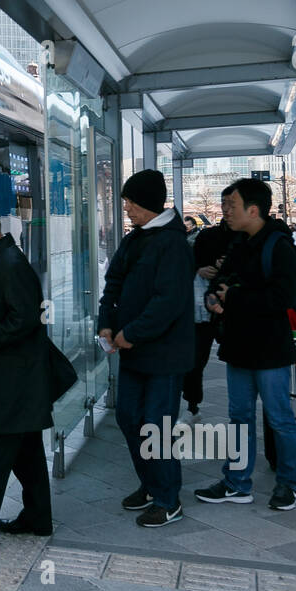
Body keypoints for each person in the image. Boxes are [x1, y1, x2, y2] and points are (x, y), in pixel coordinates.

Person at [196, 177, 296, 511]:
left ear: (253, 209)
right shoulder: (238, 244)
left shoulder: (279, 245)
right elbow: (221, 283)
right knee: (239, 417)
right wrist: (214, 298)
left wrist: (236, 296)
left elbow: (282, 296)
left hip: (270, 347)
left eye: (231, 205)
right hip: (239, 344)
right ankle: (236, 482)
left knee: (280, 418)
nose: (225, 211)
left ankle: (290, 484)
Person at [97, 170, 194, 528]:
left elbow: (167, 302)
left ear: (149, 204)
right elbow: (113, 282)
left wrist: (131, 333)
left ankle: (169, 499)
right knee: (128, 417)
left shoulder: (173, 243)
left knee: (157, 425)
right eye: (125, 202)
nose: (127, 209)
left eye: (131, 203)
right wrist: (106, 321)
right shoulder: (135, 238)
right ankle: (151, 485)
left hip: (164, 355)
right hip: (133, 350)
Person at [0, 208, 54, 535]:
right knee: (28, 454)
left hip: (14, 381)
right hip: (19, 379)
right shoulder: (3, 259)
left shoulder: (8, 264)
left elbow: (23, 319)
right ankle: (38, 518)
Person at [182, 192, 242, 420]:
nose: (226, 210)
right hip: (204, 309)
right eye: (224, 204)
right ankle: (192, 403)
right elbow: (191, 262)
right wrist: (200, 268)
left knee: (238, 361)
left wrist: (229, 266)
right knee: (196, 359)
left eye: (231, 205)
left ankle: (238, 412)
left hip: (236, 309)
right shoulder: (207, 236)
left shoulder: (249, 237)